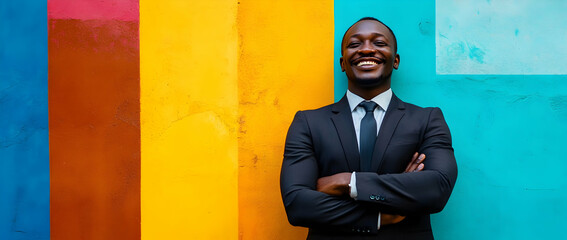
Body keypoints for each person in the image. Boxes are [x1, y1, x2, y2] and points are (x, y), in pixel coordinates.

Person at [280, 17, 458, 240]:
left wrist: (348, 182)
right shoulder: (308, 122)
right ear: (343, 63)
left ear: (396, 60)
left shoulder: (427, 119)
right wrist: (381, 216)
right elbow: (297, 204)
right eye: (355, 44)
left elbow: (437, 188)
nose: (366, 49)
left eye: (379, 43)